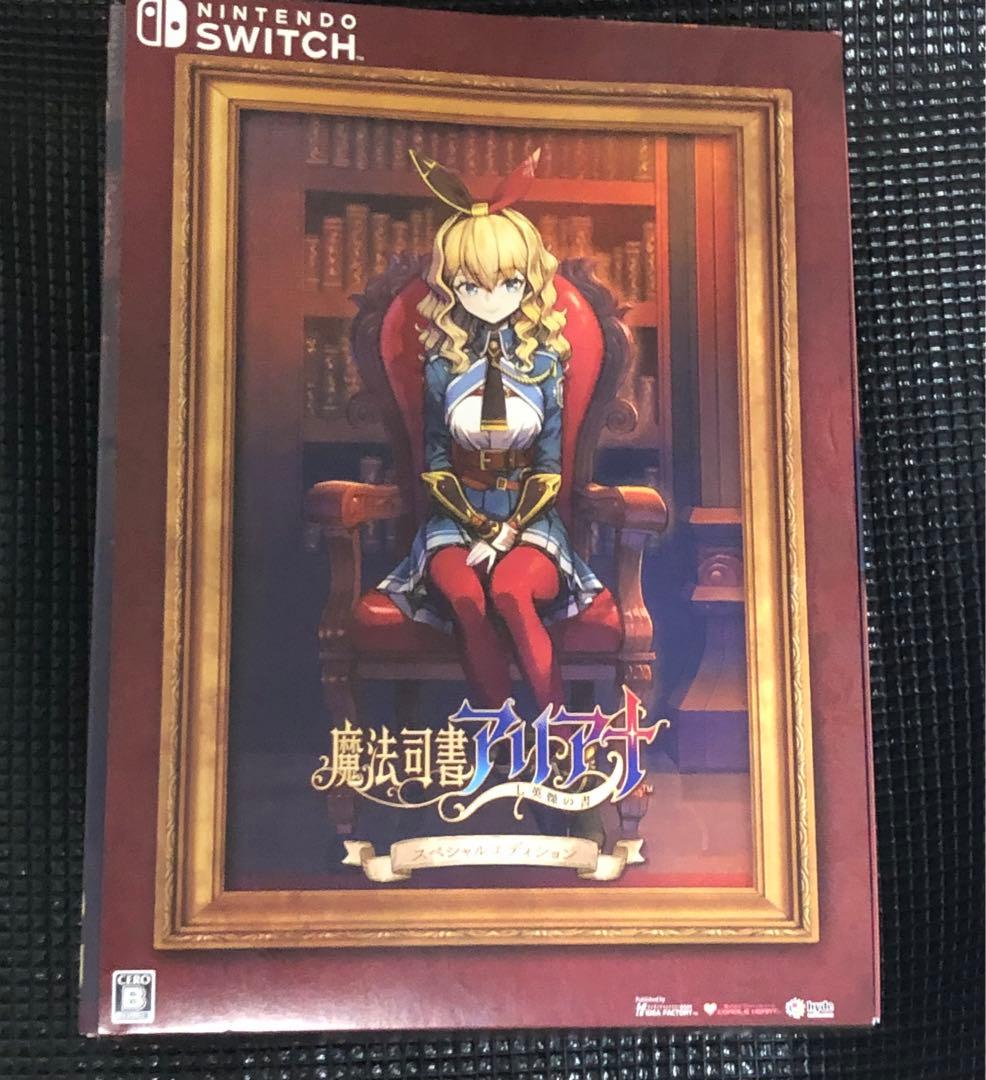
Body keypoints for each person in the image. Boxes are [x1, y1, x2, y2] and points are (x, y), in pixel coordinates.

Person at [377, 148, 602, 712]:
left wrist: (507, 531)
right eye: (472, 286)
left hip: (530, 517)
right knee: (465, 597)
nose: (492, 299)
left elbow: (549, 467)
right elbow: (435, 463)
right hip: (455, 518)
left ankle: (554, 733)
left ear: (529, 282)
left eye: (508, 284)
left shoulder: (546, 363)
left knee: (510, 590)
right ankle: (498, 736)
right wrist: (476, 525)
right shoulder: (441, 364)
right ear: (451, 287)